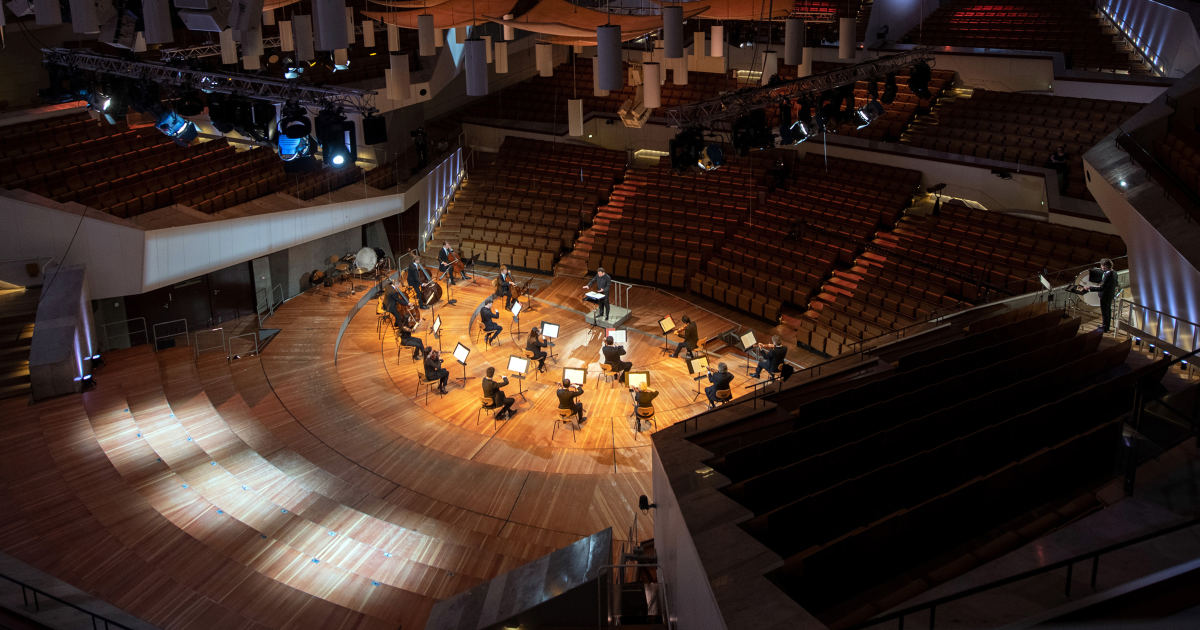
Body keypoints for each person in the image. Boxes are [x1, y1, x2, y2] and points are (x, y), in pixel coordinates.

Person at [1089, 258, 1118, 333]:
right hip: (1110, 294)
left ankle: (1105, 328)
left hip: (1105, 296)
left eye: (1101, 266)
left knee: (1105, 312)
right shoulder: (1114, 272)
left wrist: (1090, 288)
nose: (1101, 267)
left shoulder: (1108, 275)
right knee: (1107, 311)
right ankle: (1106, 326)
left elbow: (1102, 288)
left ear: (1105, 266)